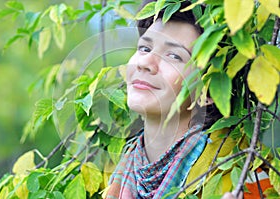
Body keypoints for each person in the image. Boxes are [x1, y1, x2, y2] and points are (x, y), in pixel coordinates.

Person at [104, 0, 271, 198]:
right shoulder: (119, 174)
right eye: (145, 48)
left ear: (210, 89)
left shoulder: (244, 176)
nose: (146, 63)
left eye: (173, 56)